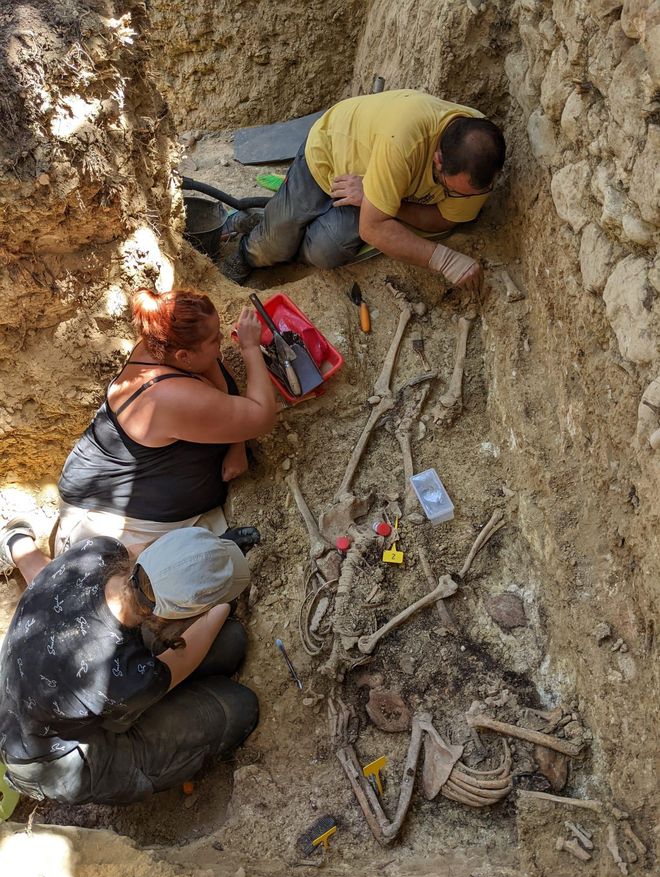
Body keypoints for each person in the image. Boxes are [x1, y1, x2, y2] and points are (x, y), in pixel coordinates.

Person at [0, 525, 258, 805]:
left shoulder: (100, 552)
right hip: (52, 760)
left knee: (230, 641)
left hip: (43, 696)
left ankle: (117, 714)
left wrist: (204, 561)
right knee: (237, 706)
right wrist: (220, 601)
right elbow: (189, 650)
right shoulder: (124, 678)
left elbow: (158, 573)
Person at [53, 287, 277, 556]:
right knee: (148, 581)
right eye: (215, 340)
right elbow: (262, 417)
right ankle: (18, 544)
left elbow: (213, 369)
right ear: (184, 356)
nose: (222, 343)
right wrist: (251, 347)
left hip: (118, 494)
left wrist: (236, 441)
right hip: (100, 524)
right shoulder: (167, 396)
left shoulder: (162, 345)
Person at [221, 90, 505, 294]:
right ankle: (248, 249)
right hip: (331, 152)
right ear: (438, 159)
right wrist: (446, 260)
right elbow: (373, 229)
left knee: (326, 252)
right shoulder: (404, 141)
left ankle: (281, 231)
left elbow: (443, 218)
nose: (458, 198)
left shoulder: (479, 162)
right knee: (272, 243)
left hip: (374, 189)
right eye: (447, 188)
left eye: (463, 194)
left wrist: (378, 198)